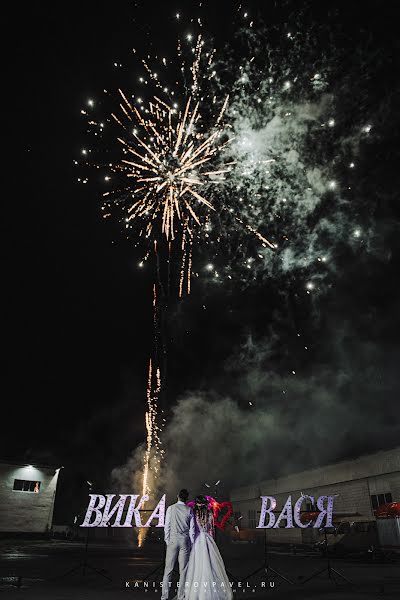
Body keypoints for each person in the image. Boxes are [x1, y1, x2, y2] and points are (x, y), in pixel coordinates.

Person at [185, 495, 233, 600]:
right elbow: (211, 530)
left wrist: (192, 542)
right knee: (212, 564)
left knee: (198, 565)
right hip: (207, 539)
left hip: (198, 540)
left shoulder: (194, 514)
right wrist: (211, 540)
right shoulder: (210, 513)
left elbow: (192, 530)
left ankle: (197, 592)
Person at [161, 488, 195, 600]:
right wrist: (192, 543)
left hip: (173, 539)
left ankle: (164, 596)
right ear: (187, 498)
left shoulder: (171, 508)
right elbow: (192, 530)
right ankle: (181, 596)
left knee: (168, 570)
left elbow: (167, 526)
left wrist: (167, 540)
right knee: (183, 571)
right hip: (184, 540)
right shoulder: (189, 510)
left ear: (177, 496)